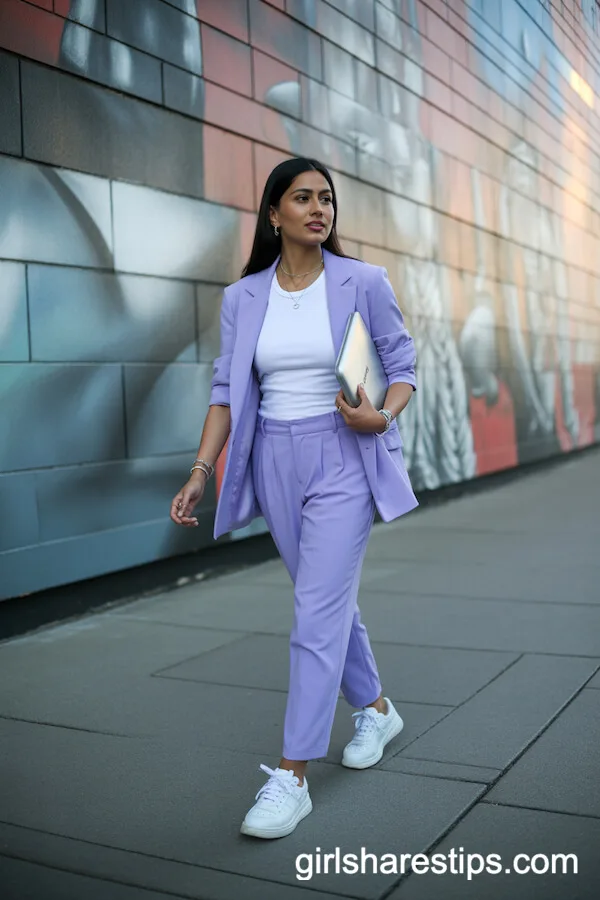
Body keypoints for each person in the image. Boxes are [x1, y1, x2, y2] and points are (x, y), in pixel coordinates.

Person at [170, 157, 418, 839]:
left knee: (314, 612)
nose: (319, 208)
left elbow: (402, 365)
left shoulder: (363, 280)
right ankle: (375, 707)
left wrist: (384, 416)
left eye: (327, 199)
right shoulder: (244, 296)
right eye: (303, 197)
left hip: (343, 453)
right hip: (273, 458)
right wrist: (201, 468)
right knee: (324, 597)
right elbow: (226, 390)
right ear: (274, 212)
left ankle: (292, 776)